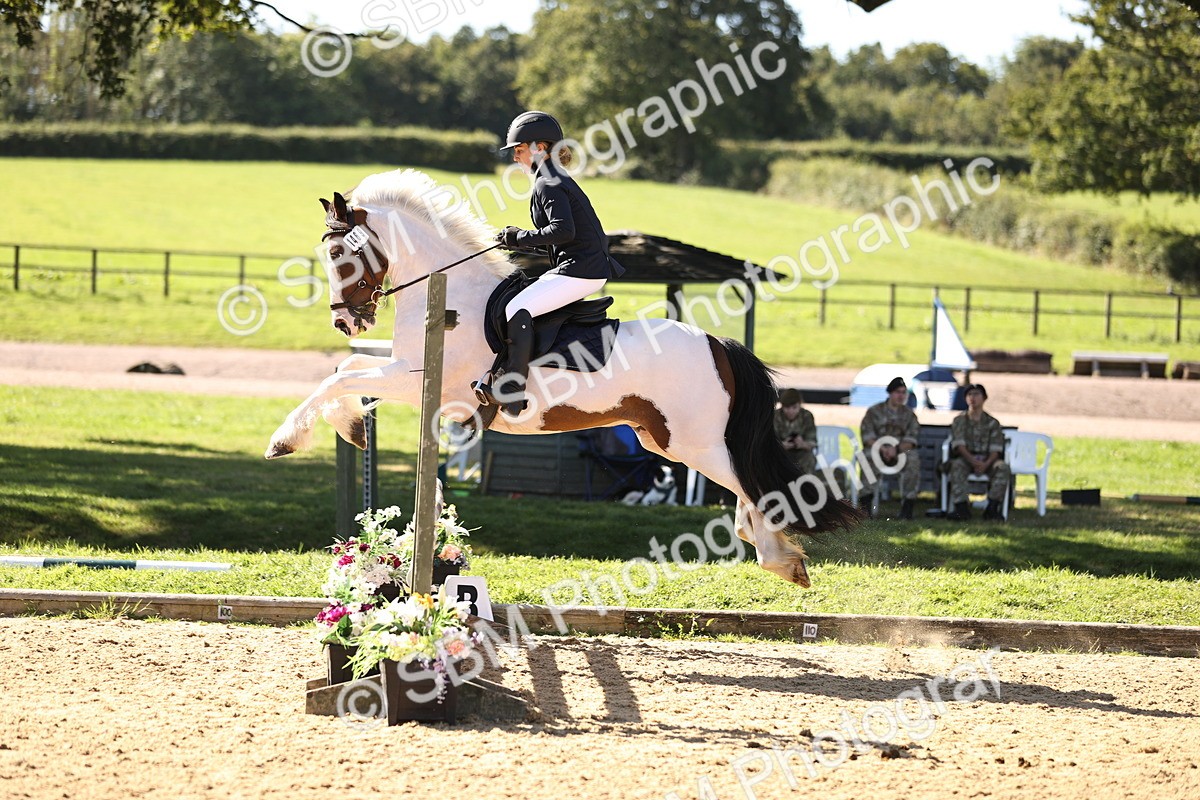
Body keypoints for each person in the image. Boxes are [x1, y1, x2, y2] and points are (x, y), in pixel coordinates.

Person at [491, 110, 625, 416]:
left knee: (517, 308)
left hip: (582, 270)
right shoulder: (550, 178)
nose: (515, 158)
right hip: (580, 267)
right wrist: (515, 241)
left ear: (540, 147)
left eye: (519, 150)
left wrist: (519, 236)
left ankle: (512, 388)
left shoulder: (547, 182)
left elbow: (563, 231)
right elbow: (560, 238)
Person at [946, 383, 1011, 521]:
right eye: (969, 395)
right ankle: (961, 509)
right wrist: (973, 461)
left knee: (1002, 468)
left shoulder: (992, 423)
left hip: (988, 460)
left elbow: (996, 448)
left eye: (976, 394)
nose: (972, 398)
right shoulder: (959, 421)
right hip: (966, 459)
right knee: (956, 465)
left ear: (984, 398)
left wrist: (985, 464)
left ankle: (992, 508)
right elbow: (959, 445)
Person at [859, 377, 921, 519]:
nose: (901, 396)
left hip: (900, 452)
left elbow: (912, 439)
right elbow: (867, 436)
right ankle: (866, 507)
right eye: (898, 392)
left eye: (904, 392)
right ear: (890, 393)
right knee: (866, 457)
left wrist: (896, 449)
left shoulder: (909, 415)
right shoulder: (874, 411)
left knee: (913, 458)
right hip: (878, 450)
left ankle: (907, 507)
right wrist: (883, 449)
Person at [773, 388, 817, 475]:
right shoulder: (775, 416)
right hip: (781, 454)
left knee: (809, 458)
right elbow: (769, 443)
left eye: (794, 407)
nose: (791, 411)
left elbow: (812, 442)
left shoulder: (806, 416)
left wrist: (802, 444)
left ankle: (805, 486)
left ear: (800, 405)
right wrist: (782, 446)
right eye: (787, 408)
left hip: (802, 454)